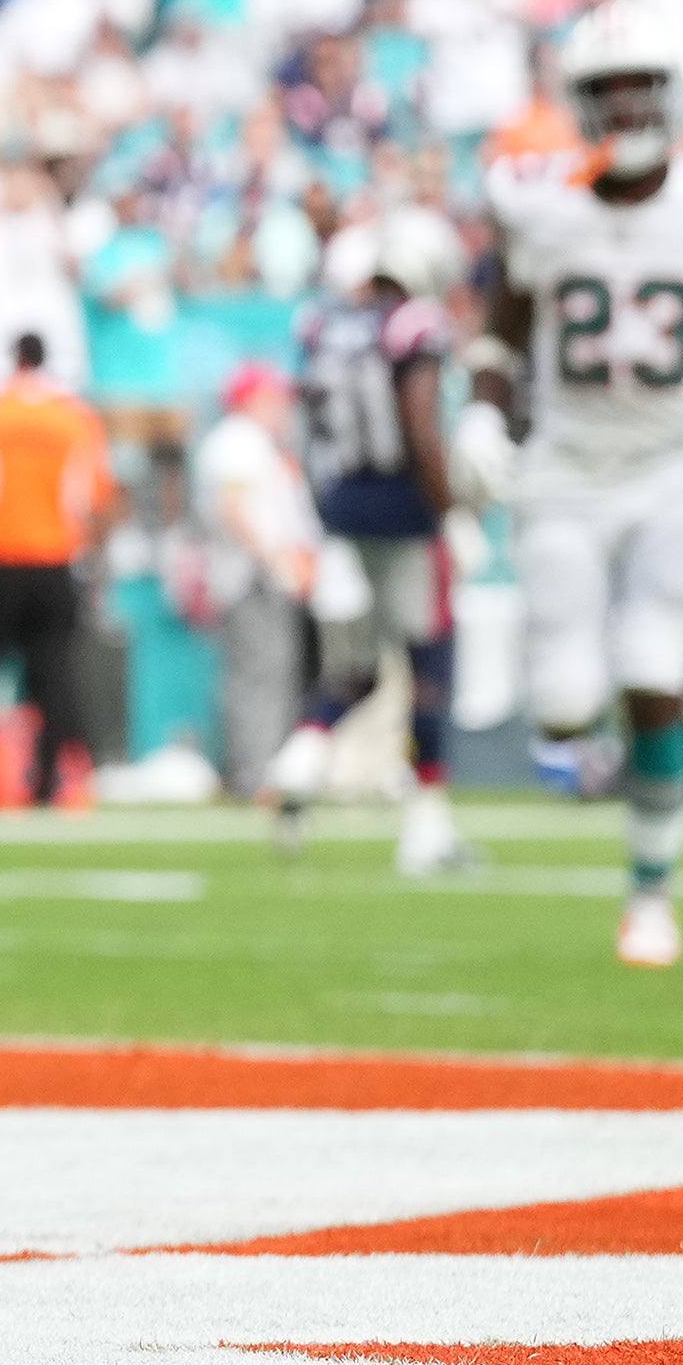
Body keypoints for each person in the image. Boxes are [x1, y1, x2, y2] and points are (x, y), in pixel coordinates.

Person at [455, 0, 683, 972]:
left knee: (654, 670)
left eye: (636, 85)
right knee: (564, 702)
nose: (622, 104)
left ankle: (649, 898)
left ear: (670, 94)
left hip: (678, 464)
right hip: (565, 469)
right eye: (603, 90)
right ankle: (593, 751)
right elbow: (498, 335)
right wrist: (483, 409)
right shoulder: (537, 210)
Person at [265, 211, 473, 873]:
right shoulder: (412, 326)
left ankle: (299, 759)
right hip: (404, 507)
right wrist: (449, 509)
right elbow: (419, 423)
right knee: (430, 663)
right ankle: (428, 826)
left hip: (342, 506)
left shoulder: (325, 323)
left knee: (358, 661)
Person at [0, 333, 115, 804]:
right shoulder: (75, 418)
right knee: (55, 677)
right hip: (54, 559)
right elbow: (96, 496)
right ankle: (47, 784)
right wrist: (97, 557)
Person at [193, 364, 320, 798]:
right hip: (252, 577)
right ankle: (256, 774)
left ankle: (261, 769)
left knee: (267, 675)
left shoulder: (250, 442)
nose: (283, 409)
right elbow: (234, 508)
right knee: (259, 677)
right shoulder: (238, 441)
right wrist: (274, 559)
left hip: (257, 574)